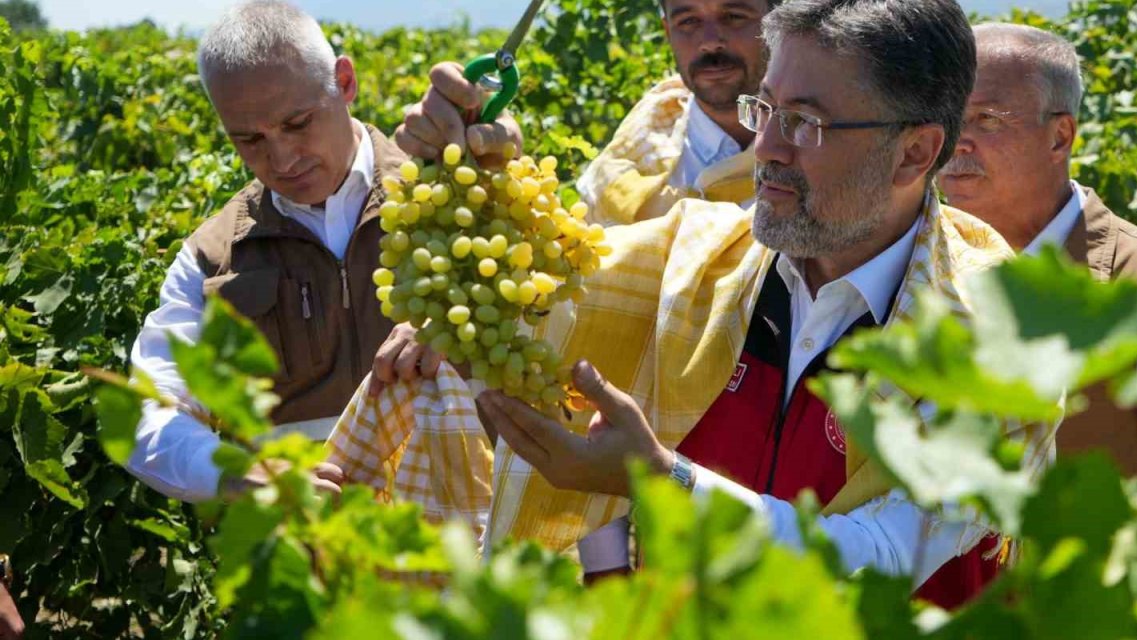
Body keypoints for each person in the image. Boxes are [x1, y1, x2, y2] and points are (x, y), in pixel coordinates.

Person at [332, 0, 1057, 607]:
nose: (764, 148)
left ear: (915, 153)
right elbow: (540, 296)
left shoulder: (999, 334)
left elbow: (878, 558)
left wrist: (658, 481)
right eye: (764, 109)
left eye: (803, 123)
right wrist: (476, 175)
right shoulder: (699, 259)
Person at [127, 0, 403, 501]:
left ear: (344, 83)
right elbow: (147, 413)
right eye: (249, 140)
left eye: (298, 123)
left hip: (469, 554)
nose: (282, 158)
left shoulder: (448, 204)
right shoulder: (212, 257)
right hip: (307, 561)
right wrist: (241, 476)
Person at [937, 23, 1137, 481]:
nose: (957, 141)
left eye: (988, 119)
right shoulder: (920, 263)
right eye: (950, 117)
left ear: (1060, 137)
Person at [393, 0, 774, 229]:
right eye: (688, 21)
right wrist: (492, 174)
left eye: (735, 15)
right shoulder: (631, 159)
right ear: (666, 30)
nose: (710, 40)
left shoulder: (819, 155)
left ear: (777, 21)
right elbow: (562, 275)